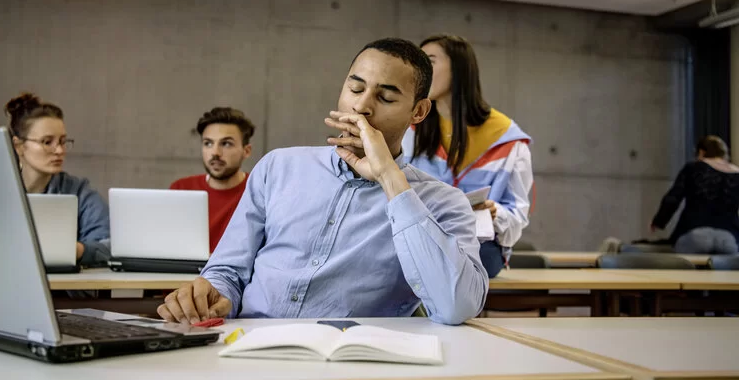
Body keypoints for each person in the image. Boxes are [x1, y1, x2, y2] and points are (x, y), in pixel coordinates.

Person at [157, 38, 489, 326]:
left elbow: (455, 307)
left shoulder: (443, 202)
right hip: (248, 343)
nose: (361, 106)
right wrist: (214, 296)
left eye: (385, 98)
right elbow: (226, 271)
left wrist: (390, 178)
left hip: (348, 365)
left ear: (418, 112)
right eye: (355, 88)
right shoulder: (279, 166)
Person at [402, 34, 533, 278]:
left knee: (453, 261)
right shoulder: (410, 131)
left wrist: (497, 213)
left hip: (481, 247)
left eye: (429, 61)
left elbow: (518, 214)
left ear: (459, 70)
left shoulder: (507, 140)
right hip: (419, 237)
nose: (420, 71)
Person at [5, 93, 110, 266]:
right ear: (19, 146)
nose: (60, 150)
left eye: (62, 141)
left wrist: (76, 250)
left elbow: (110, 245)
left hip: (63, 291)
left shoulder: (79, 191)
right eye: (47, 142)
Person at [170, 107, 254, 253]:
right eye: (208, 143)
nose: (215, 153)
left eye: (226, 143)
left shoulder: (258, 192)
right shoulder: (181, 188)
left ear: (246, 151)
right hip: (182, 274)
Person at [651, 135, 739, 255]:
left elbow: (673, 198)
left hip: (695, 233)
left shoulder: (693, 168)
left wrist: (659, 222)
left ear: (701, 152)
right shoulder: (736, 173)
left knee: (686, 272)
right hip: (728, 238)